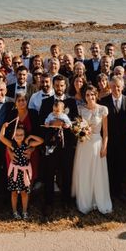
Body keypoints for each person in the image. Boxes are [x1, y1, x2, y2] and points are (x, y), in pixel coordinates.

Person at [39, 75, 79, 211]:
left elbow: (76, 122)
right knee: (49, 174)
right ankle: (48, 202)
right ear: (53, 85)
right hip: (51, 145)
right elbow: (41, 123)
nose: (59, 88)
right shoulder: (46, 102)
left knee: (66, 174)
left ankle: (66, 201)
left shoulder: (71, 102)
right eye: (56, 85)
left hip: (66, 144)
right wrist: (50, 127)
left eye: (62, 85)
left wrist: (64, 124)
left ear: (65, 86)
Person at [72, 85, 112, 215]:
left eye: (92, 95)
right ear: (85, 96)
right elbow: (76, 127)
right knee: (84, 172)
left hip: (97, 144)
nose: (90, 97)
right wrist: (80, 131)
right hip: (83, 145)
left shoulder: (103, 110)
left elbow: (105, 132)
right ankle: (85, 202)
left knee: (97, 173)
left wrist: (104, 147)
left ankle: (99, 201)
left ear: (96, 95)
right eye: (88, 95)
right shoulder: (80, 109)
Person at [0, 121, 44, 220]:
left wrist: (30, 136)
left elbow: (41, 141)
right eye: (17, 134)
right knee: (14, 193)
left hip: (24, 173)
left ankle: (24, 212)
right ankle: (14, 211)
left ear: (24, 135)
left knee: (24, 193)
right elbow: (1, 138)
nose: (19, 136)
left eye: (21, 134)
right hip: (14, 172)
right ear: (14, 135)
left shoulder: (27, 144)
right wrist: (3, 127)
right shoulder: (12, 145)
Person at [99, 76, 126, 202]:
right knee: (109, 167)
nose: (116, 89)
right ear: (110, 86)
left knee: (121, 167)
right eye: (113, 86)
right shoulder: (103, 101)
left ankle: (119, 192)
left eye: (118, 86)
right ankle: (109, 192)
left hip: (123, 142)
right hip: (109, 141)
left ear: (122, 87)